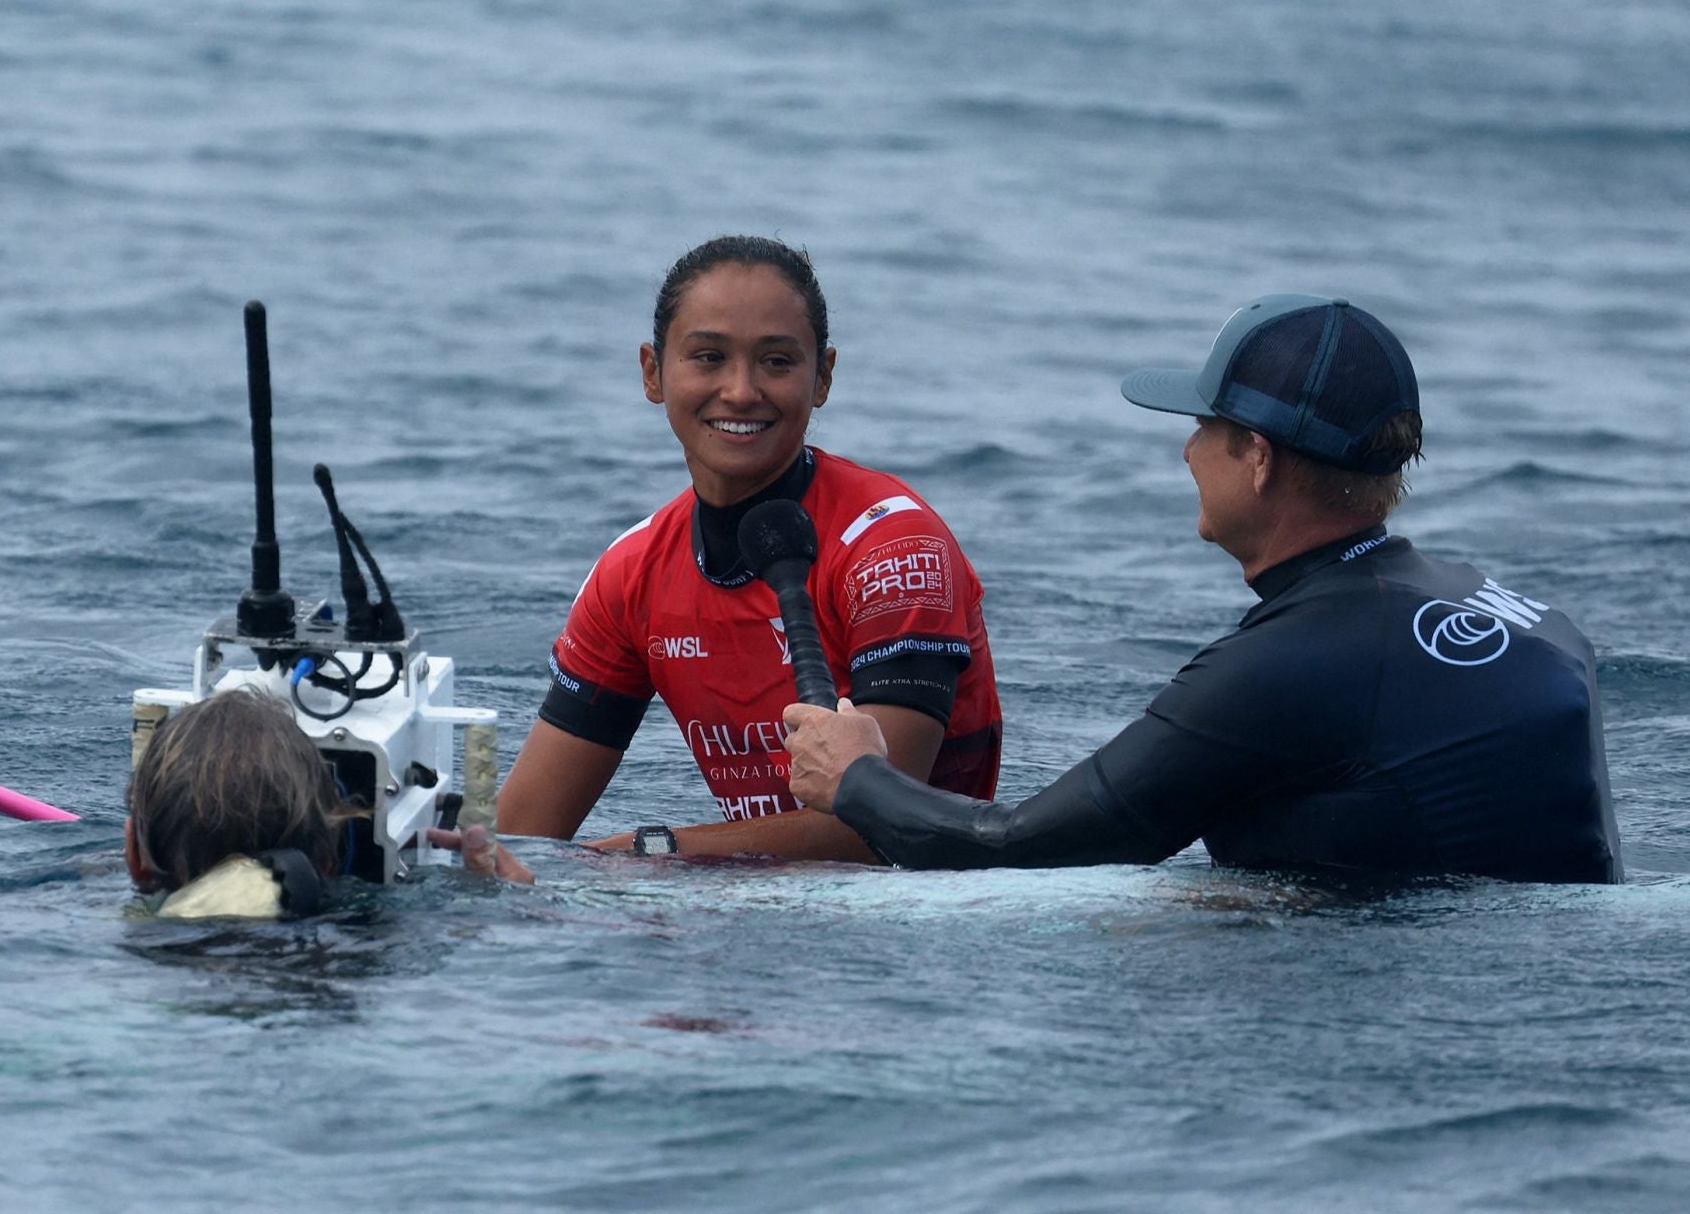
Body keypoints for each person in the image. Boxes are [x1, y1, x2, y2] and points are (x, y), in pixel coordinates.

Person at [783, 295, 1623, 884]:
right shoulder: (1517, 611)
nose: (1187, 453)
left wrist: (858, 778)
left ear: (1256, 459)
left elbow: (1017, 846)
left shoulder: (1292, 664)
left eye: (1202, 428)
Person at [496, 236, 1003, 863]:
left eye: (777, 363)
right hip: (750, 916)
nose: (740, 391)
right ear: (653, 372)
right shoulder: (631, 573)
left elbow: (884, 827)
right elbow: (520, 837)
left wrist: (657, 851)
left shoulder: (894, 547)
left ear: (823, 378)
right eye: (708, 357)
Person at [126, 690, 530, 919]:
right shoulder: (376, 960)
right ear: (328, 860)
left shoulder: (104, 941)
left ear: (134, 855)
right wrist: (497, 902)